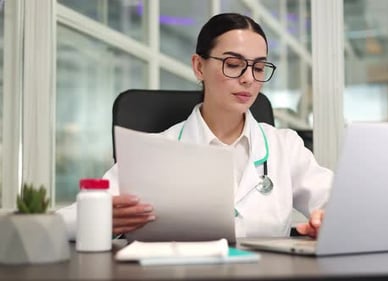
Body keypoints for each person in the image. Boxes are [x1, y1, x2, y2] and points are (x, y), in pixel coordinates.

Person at [59, 12, 333, 240]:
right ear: (199, 67)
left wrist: (328, 218)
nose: (249, 79)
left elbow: (338, 203)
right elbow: (67, 220)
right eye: (234, 64)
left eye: (259, 68)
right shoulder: (155, 151)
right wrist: (101, 218)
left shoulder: (285, 147)